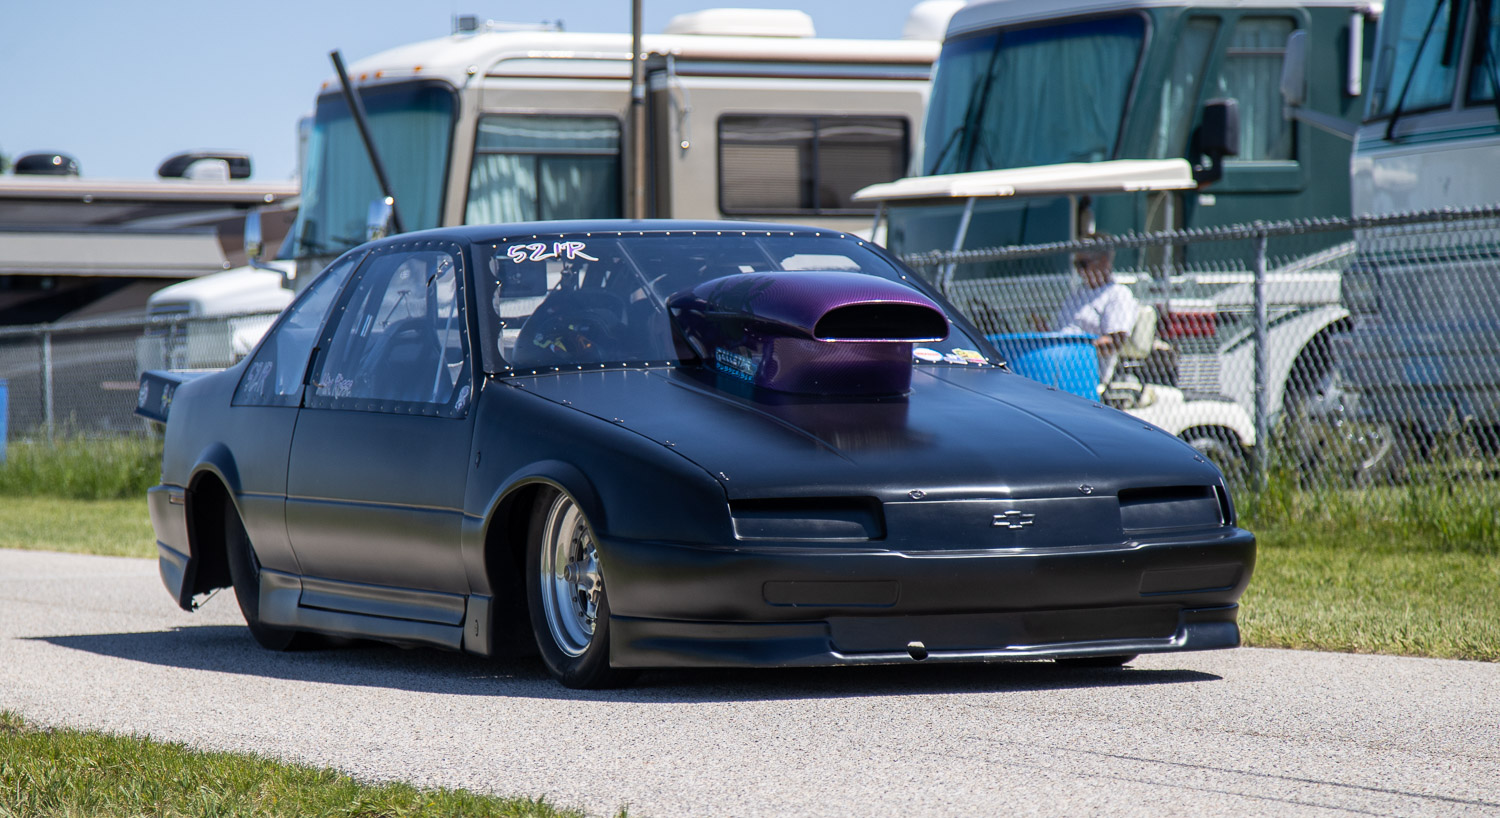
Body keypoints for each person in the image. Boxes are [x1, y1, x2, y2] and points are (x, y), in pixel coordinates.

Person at [1050, 236, 1137, 381]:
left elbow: (1114, 342)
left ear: (1103, 262)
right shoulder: (1077, 294)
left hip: (1087, 372)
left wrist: (1073, 351)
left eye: (1083, 264)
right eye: (1076, 265)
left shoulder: (1118, 294)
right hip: (1058, 363)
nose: (1079, 271)